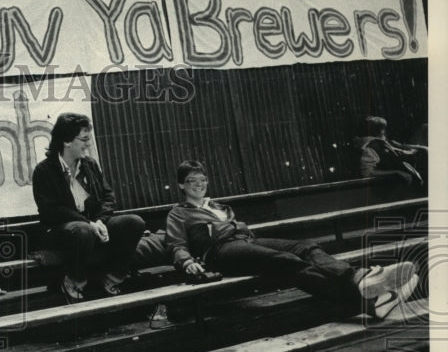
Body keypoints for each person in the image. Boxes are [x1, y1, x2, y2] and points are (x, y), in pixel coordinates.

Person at [165, 159, 418, 320]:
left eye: (202, 180)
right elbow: (176, 243)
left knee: (304, 246)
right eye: (191, 181)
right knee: (285, 261)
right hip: (220, 252)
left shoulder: (221, 206)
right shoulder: (179, 212)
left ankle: (358, 277)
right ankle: (367, 300)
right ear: (181, 186)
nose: (198, 185)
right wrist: (187, 262)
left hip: (246, 242)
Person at [32, 113, 146, 302]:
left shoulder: (90, 165)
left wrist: (100, 221)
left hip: (93, 224)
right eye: (84, 139)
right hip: (62, 230)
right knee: (82, 230)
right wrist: (89, 223)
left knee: (134, 222)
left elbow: (108, 197)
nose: (89, 144)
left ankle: (113, 276)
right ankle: (74, 280)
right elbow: (51, 210)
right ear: (67, 141)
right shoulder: (44, 170)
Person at [353, 115, 427, 187]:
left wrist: (421, 148)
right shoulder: (370, 147)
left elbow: (399, 146)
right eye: (381, 129)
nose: (383, 132)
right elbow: (368, 172)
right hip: (387, 186)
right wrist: (396, 172)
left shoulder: (383, 142)